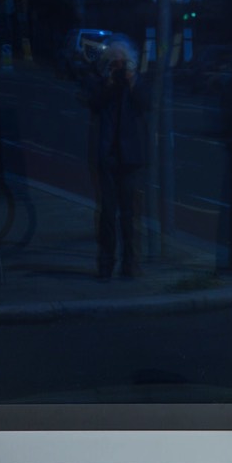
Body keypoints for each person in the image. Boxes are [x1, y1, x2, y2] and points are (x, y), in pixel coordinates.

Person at [88, 35, 147, 280]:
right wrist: (110, 82)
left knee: (129, 214)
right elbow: (93, 103)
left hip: (130, 157)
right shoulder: (102, 83)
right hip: (107, 155)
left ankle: (130, 263)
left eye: (123, 63)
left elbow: (146, 105)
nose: (120, 68)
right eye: (115, 63)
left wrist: (131, 82)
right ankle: (106, 263)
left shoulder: (136, 83)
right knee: (107, 213)